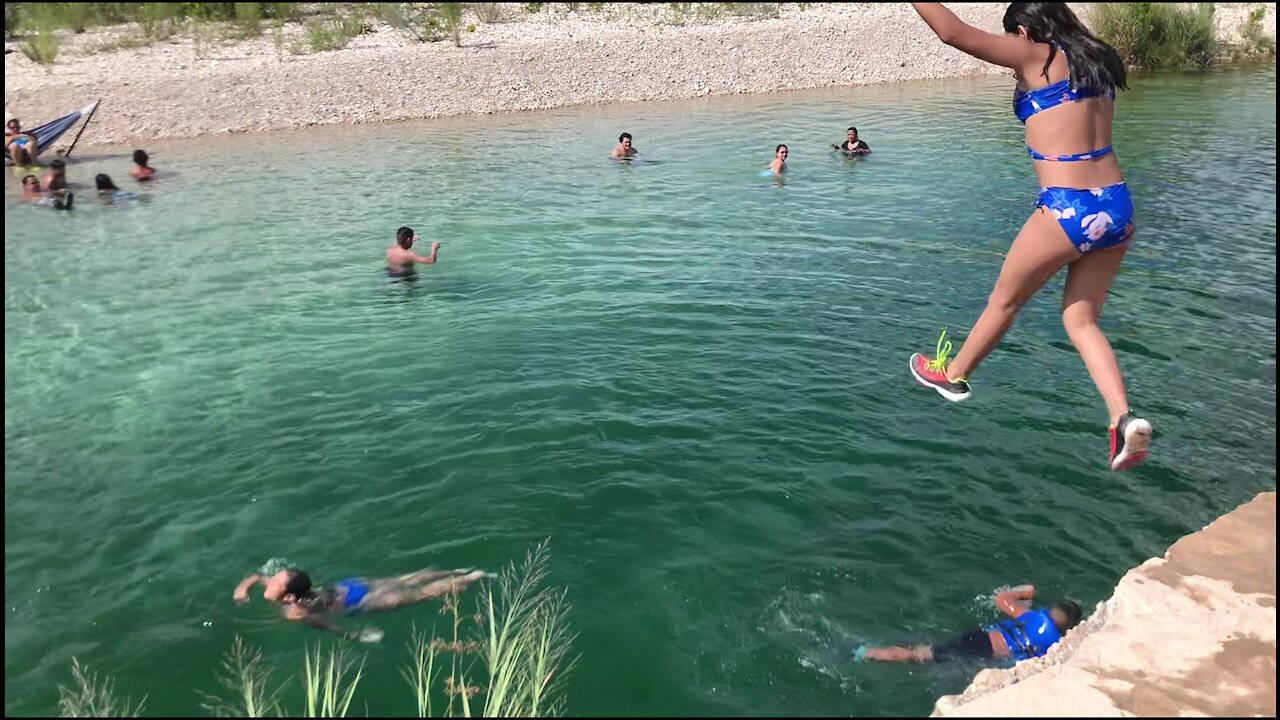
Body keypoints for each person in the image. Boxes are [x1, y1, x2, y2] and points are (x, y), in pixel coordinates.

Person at [905, 2, 1152, 471]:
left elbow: (952, 31)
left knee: (1005, 301)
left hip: (1067, 206)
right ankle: (1123, 418)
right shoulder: (1096, 59)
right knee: (1081, 321)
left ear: (1023, 30)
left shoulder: (1036, 56)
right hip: (1117, 205)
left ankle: (953, 375)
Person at [233, 567, 489, 639]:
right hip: (349, 586)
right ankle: (457, 570)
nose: (269, 582)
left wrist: (354, 635)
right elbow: (256, 576)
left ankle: (471, 578)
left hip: (361, 601)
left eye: (275, 581)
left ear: (288, 597)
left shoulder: (295, 610)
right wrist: (242, 589)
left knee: (419, 595)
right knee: (405, 578)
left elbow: (323, 625)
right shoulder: (295, 591)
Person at [852, 585, 1082, 664]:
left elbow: (1001, 599)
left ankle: (876, 649)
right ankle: (868, 653)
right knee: (923, 656)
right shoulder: (1056, 643)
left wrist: (1025, 592)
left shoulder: (1030, 617)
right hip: (979, 650)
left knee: (929, 650)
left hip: (977, 637)